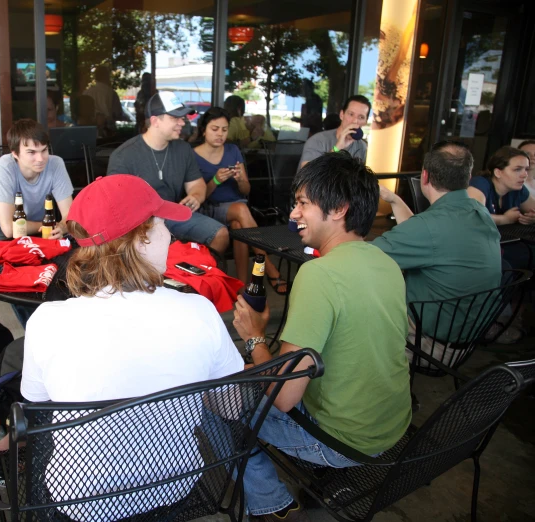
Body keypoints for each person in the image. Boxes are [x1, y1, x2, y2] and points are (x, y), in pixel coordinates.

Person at [0, 174, 244, 520]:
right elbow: (231, 408)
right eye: (161, 224)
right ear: (141, 238)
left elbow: (40, 409)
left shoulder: (47, 321)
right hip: (173, 490)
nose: (171, 234)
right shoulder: (199, 311)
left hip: (79, 504)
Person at [234, 151, 412, 521]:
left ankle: (270, 503)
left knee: (220, 404)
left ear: (339, 209)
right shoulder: (384, 260)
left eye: (302, 203)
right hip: (393, 425)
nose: (293, 214)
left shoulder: (319, 275)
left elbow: (283, 398)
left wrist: (254, 338)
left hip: (345, 441)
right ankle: (322, 480)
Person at [373, 141, 502, 347]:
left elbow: (363, 258)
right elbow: (427, 238)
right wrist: (394, 199)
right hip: (470, 334)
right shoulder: (480, 212)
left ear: (425, 176)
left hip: (430, 342)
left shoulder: (428, 227)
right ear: (468, 178)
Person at [0, 119, 74, 326]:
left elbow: (70, 216)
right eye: (31, 152)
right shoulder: (3, 166)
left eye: (44, 150)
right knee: (19, 275)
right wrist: (47, 225)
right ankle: (35, 332)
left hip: (40, 229)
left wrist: (62, 226)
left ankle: (64, 325)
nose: (40, 158)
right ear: (15, 154)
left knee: (72, 260)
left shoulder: (55, 164)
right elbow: (10, 228)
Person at [107, 91, 230, 253]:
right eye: (175, 118)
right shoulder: (124, 156)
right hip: (139, 223)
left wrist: (196, 196)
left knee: (220, 235)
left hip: (173, 215)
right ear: (155, 121)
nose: (182, 122)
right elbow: (115, 208)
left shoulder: (183, 149)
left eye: (182, 117)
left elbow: (197, 184)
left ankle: (193, 276)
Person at [192, 106, 286, 291]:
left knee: (238, 225)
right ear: (204, 130)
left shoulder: (233, 150)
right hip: (210, 208)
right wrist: (216, 180)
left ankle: (242, 285)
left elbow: (245, 190)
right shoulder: (193, 156)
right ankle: (270, 268)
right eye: (215, 129)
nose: (220, 134)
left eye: (224, 130)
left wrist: (241, 179)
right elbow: (198, 198)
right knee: (242, 211)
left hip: (235, 207)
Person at [468, 146, 535, 268]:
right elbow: (474, 216)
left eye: (526, 169)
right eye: (517, 169)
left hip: (501, 244)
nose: (524, 175)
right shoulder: (480, 183)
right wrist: (506, 219)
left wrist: (533, 217)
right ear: (498, 172)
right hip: (475, 247)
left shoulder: (518, 189)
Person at [299, 95, 371, 168]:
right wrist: (337, 148)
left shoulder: (362, 147)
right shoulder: (317, 140)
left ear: (365, 122)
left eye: (361, 117)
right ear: (342, 115)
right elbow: (309, 174)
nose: (355, 121)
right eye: (351, 114)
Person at [83, 65, 128, 137]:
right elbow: (117, 113)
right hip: (108, 132)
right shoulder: (111, 93)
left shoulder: (87, 92)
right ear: (107, 76)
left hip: (90, 131)